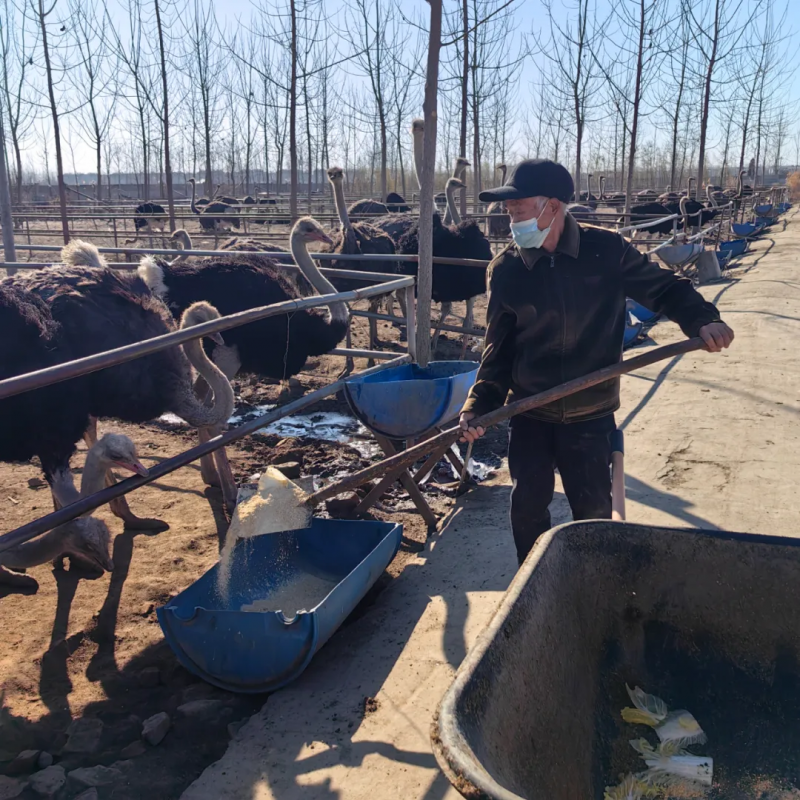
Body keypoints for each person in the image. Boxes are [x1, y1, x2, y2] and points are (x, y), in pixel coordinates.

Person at [459, 159, 734, 566]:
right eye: (508, 207)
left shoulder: (607, 251)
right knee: (527, 512)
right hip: (530, 412)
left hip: (591, 414)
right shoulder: (507, 270)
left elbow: (665, 289)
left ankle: (593, 586)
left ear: (553, 206)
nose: (509, 214)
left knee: (593, 515)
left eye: (518, 205)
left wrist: (702, 319)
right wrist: (479, 406)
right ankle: (535, 591)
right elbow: (497, 351)